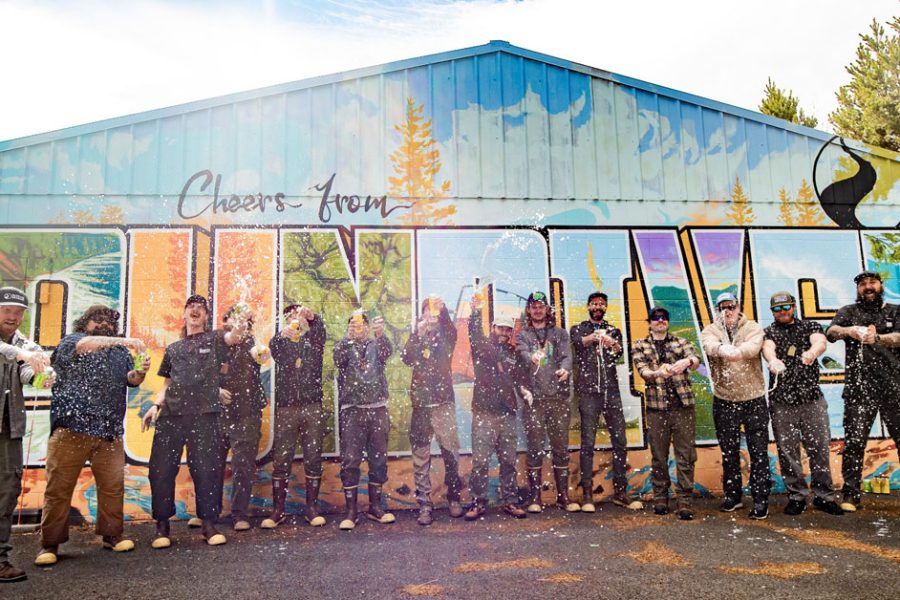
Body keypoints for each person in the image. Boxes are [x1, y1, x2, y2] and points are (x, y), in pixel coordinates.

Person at [33, 306, 148, 566]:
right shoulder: (72, 341)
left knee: (112, 487)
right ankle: (50, 544)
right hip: (71, 428)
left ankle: (112, 535)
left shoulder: (119, 352)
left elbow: (131, 379)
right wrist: (125, 341)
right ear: (84, 322)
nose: (104, 324)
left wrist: (140, 371)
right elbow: (85, 346)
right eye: (97, 319)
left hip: (109, 431)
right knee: (58, 489)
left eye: (109, 321)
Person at [141, 295, 246, 548]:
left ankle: (208, 525)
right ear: (185, 314)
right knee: (161, 469)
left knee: (206, 470)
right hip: (171, 416)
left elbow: (234, 338)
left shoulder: (214, 339)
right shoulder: (173, 349)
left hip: (204, 416)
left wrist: (240, 323)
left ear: (206, 316)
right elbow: (167, 384)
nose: (195, 310)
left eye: (200, 308)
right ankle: (162, 526)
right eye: (191, 307)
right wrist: (155, 405)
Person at [762, 292, 843, 516]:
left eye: (786, 307)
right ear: (772, 312)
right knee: (788, 451)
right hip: (781, 402)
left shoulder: (810, 326)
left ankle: (824, 496)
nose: (782, 312)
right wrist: (772, 360)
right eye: (777, 309)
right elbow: (768, 348)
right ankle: (797, 496)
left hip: (811, 400)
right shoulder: (768, 332)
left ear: (794, 307)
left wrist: (812, 352)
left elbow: (820, 342)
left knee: (819, 449)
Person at [826, 271, 900, 512]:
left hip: (893, 388)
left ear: (881, 286)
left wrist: (878, 338)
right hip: (859, 390)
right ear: (858, 289)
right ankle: (851, 494)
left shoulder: (895, 311)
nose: (868, 287)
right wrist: (850, 332)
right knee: (855, 443)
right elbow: (831, 332)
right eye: (863, 284)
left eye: (872, 283)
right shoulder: (849, 311)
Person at [701, 292, 771, 520]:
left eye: (731, 306)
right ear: (718, 310)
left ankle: (760, 500)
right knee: (729, 452)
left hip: (753, 399)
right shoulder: (711, 330)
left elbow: (754, 346)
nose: (727, 311)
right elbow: (709, 345)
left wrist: (738, 351)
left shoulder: (752, 327)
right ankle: (733, 496)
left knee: (758, 452)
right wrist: (722, 349)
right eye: (723, 307)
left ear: (738, 307)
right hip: (724, 400)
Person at [570, 292, 641, 512]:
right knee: (587, 443)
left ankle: (621, 492)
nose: (598, 307)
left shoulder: (614, 330)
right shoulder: (579, 328)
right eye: (594, 303)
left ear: (606, 307)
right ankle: (587, 496)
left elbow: (618, 353)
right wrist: (593, 338)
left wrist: (612, 343)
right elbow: (578, 343)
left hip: (611, 392)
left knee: (620, 440)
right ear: (588, 306)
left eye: (601, 304)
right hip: (588, 393)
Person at [631, 306, 701, 520]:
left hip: (683, 407)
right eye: (656, 318)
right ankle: (661, 496)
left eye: (664, 318)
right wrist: (657, 373)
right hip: (656, 409)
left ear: (668, 322)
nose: (660, 321)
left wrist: (687, 362)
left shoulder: (681, 342)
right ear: (649, 322)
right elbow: (643, 371)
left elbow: (695, 359)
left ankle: (684, 499)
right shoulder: (640, 345)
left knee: (686, 455)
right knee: (659, 456)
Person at [401, 295, 464, 526]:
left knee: (451, 455)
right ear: (423, 313)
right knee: (421, 458)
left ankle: (454, 498)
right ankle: (424, 504)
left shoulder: (446, 334)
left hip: (443, 404)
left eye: (435, 309)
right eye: (429, 309)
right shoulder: (417, 334)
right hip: (421, 406)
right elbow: (406, 358)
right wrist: (418, 335)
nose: (432, 313)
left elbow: (452, 330)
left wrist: (443, 309)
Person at [0, 287, 48, 583]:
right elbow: (10, 353)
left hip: (9, 430)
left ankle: (0, 560)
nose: (13, 317)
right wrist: (22, 354)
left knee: (6, 494)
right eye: (7, 310)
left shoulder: (26, 345)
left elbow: (28, 375)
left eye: (18, 312)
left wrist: (43, 374)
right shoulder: (19, 348)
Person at [464, 296, 528, 520]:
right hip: (483, 414)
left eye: (507, 329)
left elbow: (519, 379)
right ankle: (478, 502)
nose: (504, 332)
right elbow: (473, 332)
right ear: (493, 328)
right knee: (480, 462)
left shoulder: (513, 353)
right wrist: (475, 312)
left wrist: (525, 390)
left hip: (507, 414)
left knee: (508, 462)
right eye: (500, 327)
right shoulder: (482, 346)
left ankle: (510, 501)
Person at [264, 303, 327, 528]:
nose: (295, 317)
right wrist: (283, 334)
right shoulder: (282, 342)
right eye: (290, 315)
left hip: (312, 406)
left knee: (313, 457)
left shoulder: (314, 340)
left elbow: (321, 331)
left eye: (297, 313)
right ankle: (278, 510)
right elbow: (273, 347)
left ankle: (312, 508)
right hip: (287, 407)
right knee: (281, 458)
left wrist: (312, 317)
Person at [333, 310, 395, 531]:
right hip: (352, 410)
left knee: (378, 459)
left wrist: (381, 334)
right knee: (350, 460)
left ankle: (375, 507)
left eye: (361, 324)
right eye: (353, 324)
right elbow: (337, 359)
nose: (358, 327)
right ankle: (351, 511)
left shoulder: (376, 344)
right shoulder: (344, 345)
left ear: (368, 327)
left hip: (377, 409)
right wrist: (347, 339)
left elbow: (388, 352)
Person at [516, 291, 577, 513]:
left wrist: (565, 369)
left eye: (541, 306)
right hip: (534, 401)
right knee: (534, 447)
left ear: (547, 310)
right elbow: (522, 352)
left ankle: (563, 497)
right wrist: (530, 357)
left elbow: (567, 356)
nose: (538, 310)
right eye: (534, 307)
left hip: (558, 399)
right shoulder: (523, 335)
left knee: (560, 447)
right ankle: (535, 498)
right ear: (529, 310)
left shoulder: (559, 333)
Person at [216, 305, 267, 532]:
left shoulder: (251, 342)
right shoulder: (217, 342)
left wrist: (263, 353)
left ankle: (239, 514)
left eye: (244, 320)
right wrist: (215, 391)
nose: (239, 323)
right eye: (235, 318)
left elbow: (261, 356)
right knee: (212, 465)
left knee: (243, 466)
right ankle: (209, 512)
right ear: (226, 321)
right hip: (218, 414)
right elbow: (203, 374)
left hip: (247, 414)